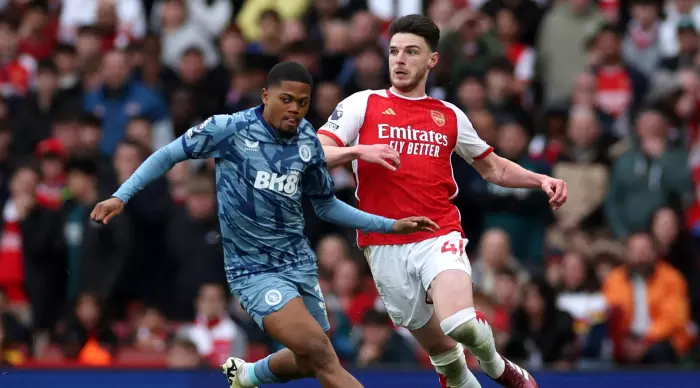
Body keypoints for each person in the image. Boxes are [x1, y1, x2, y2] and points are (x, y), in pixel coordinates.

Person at [90, 61, 438, 388]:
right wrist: (121, 196)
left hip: (300, 265)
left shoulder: (307, 142)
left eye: (302, 103)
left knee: (310, 358)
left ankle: (246, 376)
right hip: (254, 272)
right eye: (286, 99)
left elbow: (327, 205)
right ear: (266, 96)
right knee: (322, 355)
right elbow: (168, 154)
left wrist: (389, 225)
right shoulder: (228, 129)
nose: (294, 109)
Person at [317, 15, 568, 388]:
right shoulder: (362, 104)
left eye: (411, 52)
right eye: (394, 52)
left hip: (438, 231)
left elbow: (494, 169)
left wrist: (540, 178)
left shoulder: (448, 115)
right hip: (384, 244)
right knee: (446, 361)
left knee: (459, 322)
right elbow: (317, 152)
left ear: (432, 60)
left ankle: (497, 366)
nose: (399, 60)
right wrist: (360, 151)